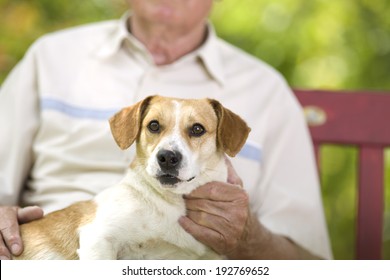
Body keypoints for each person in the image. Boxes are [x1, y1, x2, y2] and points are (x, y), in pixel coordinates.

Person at [0, 0, 332, 260]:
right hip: (44, 251)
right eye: (155, 127)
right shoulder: (51, 57)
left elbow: (312, 262)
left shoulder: (267, 91)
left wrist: (249, 239)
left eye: (198, 130)